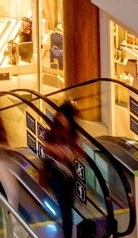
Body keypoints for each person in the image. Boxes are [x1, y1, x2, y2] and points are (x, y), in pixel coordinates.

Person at [41, 101, 82, 238]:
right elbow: (47, 145)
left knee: (68, 208)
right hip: (56, 172)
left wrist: (65, 152)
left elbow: (76, 153)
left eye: (63, 115)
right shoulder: (55, 130)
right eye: (59, 115)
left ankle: (67, 233)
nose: (59, 117)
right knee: (65, 208)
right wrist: (60, 151)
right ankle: (67, 235)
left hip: (69, 174)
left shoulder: (73, 133)